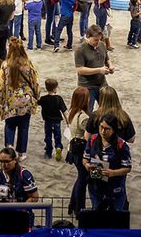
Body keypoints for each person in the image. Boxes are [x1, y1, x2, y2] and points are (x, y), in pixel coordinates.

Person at [0, 37, 39, 160]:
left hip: (10, 101)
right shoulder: (28, 64)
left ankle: (9, 148)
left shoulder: (5, 65)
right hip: (26, 101)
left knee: (10, 125)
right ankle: (22, 152)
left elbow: (0, 86)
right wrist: (37, 96)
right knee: (24, 127)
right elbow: (35, 82)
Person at [83, 112, 132, 212]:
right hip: (96, 187)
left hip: (115, 189)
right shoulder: (92, 140)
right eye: (101, 127)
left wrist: (113, 173)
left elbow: (127, 167)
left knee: (116, 219)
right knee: (97, 217)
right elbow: (85, 158)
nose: (103, 131)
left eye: (107, 129)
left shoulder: (121, 145)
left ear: (114, 130)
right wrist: (87, 165)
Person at [66, 87, 92, 216]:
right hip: (81, 152)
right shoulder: (84, 118)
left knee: (80, 178)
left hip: (73, 149)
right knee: (82, 180)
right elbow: (88, 136)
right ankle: (79, 208)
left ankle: (72, 204)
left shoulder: (73, 112)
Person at [75, 22, 113, 105]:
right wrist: (99, 70)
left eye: (99, 39)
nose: (98, 42)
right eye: (95, 40)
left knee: (107, 108)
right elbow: (80, 70)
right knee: (88, 112)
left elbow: (106, 59)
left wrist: (110, 66)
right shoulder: (80, 50)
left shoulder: (102, 45)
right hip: (87, 86)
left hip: (102, 83)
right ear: (88, 37)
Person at [39, 78, 67, 161]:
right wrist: (68, 122)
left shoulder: (43, 99)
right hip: (57, 122)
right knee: (57, 136)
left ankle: (48, 152)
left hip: (47, 122)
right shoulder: (59, 98)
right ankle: (58, 147)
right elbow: (64, 111)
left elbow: (36, 102)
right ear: (55, 88)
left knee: (48, 137)